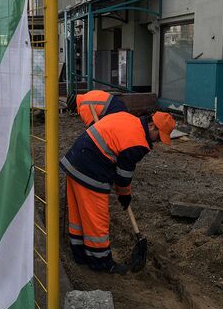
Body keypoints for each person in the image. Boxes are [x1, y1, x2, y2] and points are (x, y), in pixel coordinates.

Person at [60, 110, 176, 274]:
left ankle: (80, 255)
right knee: (96, 218)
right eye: (159, 135)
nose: (157, 141)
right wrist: (125, 195)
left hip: (74, 162)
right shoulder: (138, 142)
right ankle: (101, 262)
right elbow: (123, 175)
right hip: (90, 171)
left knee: (79, 216)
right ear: (151, 126)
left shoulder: (128, 118)